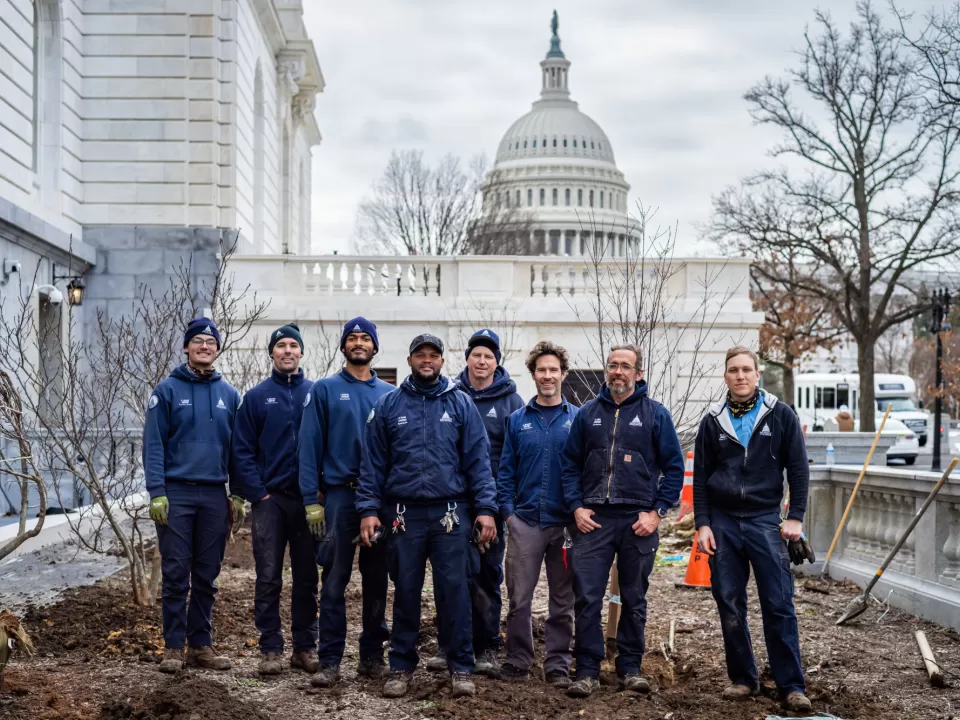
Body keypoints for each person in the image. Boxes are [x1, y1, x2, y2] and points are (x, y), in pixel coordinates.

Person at [357, 333, 498, 699]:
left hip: (451, 513)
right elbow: (372, 465)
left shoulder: (461, 404)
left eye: (433, 355)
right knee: (405, 591)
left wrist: (485, 509)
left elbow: (478, 462)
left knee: (454, 591)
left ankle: (461, 667)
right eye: (420, 355)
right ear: (409, 361)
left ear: (442, 361)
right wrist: (369, 510)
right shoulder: (389, 406)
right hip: (403, 515)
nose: (427, 360)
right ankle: (401, 667)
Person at [560, 344, 684, 698]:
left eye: (625, 366)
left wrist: (657, 513)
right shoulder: (587, 414)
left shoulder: (656, 414)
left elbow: (674, 469)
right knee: (586, 597)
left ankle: (630, 668)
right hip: (593, 520)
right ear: (606, 370)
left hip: (637, 521)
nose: (618, 371)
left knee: (634, 597)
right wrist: (576, 507)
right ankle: (586, 670)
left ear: (638, 373)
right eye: (612, 365)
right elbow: (569, 465)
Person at [693, 345, 812, 713]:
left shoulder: (780, 416)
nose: (740, 376)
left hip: (764, 520)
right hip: (724, 523)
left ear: (757, 375)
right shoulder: (713, 420)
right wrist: (703, 524)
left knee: (778, 604)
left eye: (746, 369)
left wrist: (795, 517)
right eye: (733, 370)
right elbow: (699, 478)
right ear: (725, 376)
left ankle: (791, 685)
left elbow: (798, 467)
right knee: (729, 602)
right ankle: (744, 679)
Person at [298, 317, 394, 688]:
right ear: (343, 347)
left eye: (365, 338)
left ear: (374, 347)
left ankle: (372, 656)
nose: (358, 343)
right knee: (334, 581)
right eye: (352, 338)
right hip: (338, 497)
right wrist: (311, 499)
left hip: (379, 501)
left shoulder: (388, 395)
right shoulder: (324, 390)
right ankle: (331, 659)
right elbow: (308, 448)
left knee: (377, 580)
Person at [143, 318, 240, 673]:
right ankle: (172, 647)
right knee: (175, 572)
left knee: (207, 574)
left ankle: (200, 645)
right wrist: (157, 492)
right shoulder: (166, 391)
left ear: (217, 349)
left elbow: (237, 451)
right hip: (177, 494)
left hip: (215, 495)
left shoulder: (230, 396)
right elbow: (153, 444)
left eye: (210, 342)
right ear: (186, 347)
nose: (204, 346)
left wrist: (239, 495)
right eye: (197, 341)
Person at [425, 329, 523, 677]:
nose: (482, 362)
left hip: (490, 505)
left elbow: (516, 458)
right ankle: (448, 643)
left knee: (486, 576)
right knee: (450, 576)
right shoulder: (447, 394)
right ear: (466, 358)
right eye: (476, 355)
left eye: (489, 357)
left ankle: (484, 647)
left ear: (497, 363)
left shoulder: (512, 403)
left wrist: (501, 506)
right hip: (451, 503)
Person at [230, 323, 318, 676]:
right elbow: (242, 450)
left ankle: (305, 647)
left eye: (293, 346)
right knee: (268, 576)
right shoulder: (255, 397)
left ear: (301, 353)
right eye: (280, 345)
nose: (287, 351)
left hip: (308, 502)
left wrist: (319, 491)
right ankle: (270, 648)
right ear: (272, 353)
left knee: (308, 577)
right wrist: (258, 494)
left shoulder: (316, 393)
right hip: (271, 502)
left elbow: (324, 446)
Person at [497, 341, 577, 687]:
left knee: (563, 601)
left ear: (563, 374)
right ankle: (518, 659)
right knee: (518, 597)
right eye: (541, 370)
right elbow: (505, 471)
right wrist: (509, 514)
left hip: (566, 526)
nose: (547, 375)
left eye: (553, 370)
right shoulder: (517, 420)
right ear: (533, 375)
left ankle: (558, 664)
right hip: (525, 522)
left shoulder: (579, 419)